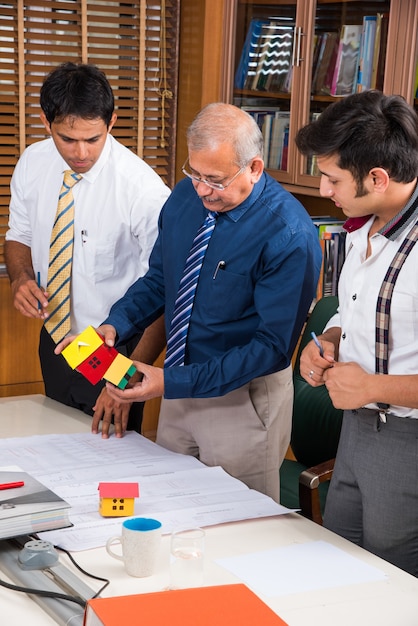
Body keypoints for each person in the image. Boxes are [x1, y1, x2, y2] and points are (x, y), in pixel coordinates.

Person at [57, 102, 322, 502]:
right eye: (194, 173)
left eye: (214, 180)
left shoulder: (289, 234)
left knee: (234, 522)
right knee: (171, 506)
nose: (201, 189)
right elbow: (161, 279)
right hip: (178, 386)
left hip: (242, 399)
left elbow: (271, 350)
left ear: (253, 168)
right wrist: (117, 324)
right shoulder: (185, 199)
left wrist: (169, 381)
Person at [5, 62, 169, 437]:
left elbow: (165, 289)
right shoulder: (33, 162)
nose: (81, 152)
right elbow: (19, 235)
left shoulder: (142, 190)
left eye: (93, 139)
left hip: (117, 346)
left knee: (110, 452)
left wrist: (125, 379)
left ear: (111, 123)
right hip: (59, 339)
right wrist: (20, 279)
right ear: (47, 124)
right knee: (57, 446)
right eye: (67, 138)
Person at [295, 90, 418, 577]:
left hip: (407, 437)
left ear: (378, 178)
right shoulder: (361, 228)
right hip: (356, 432)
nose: (324, 190)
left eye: (332, 178)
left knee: (391, 579)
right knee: (339, 559)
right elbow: (355, 312)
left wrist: (373, 387)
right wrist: (329, 341)